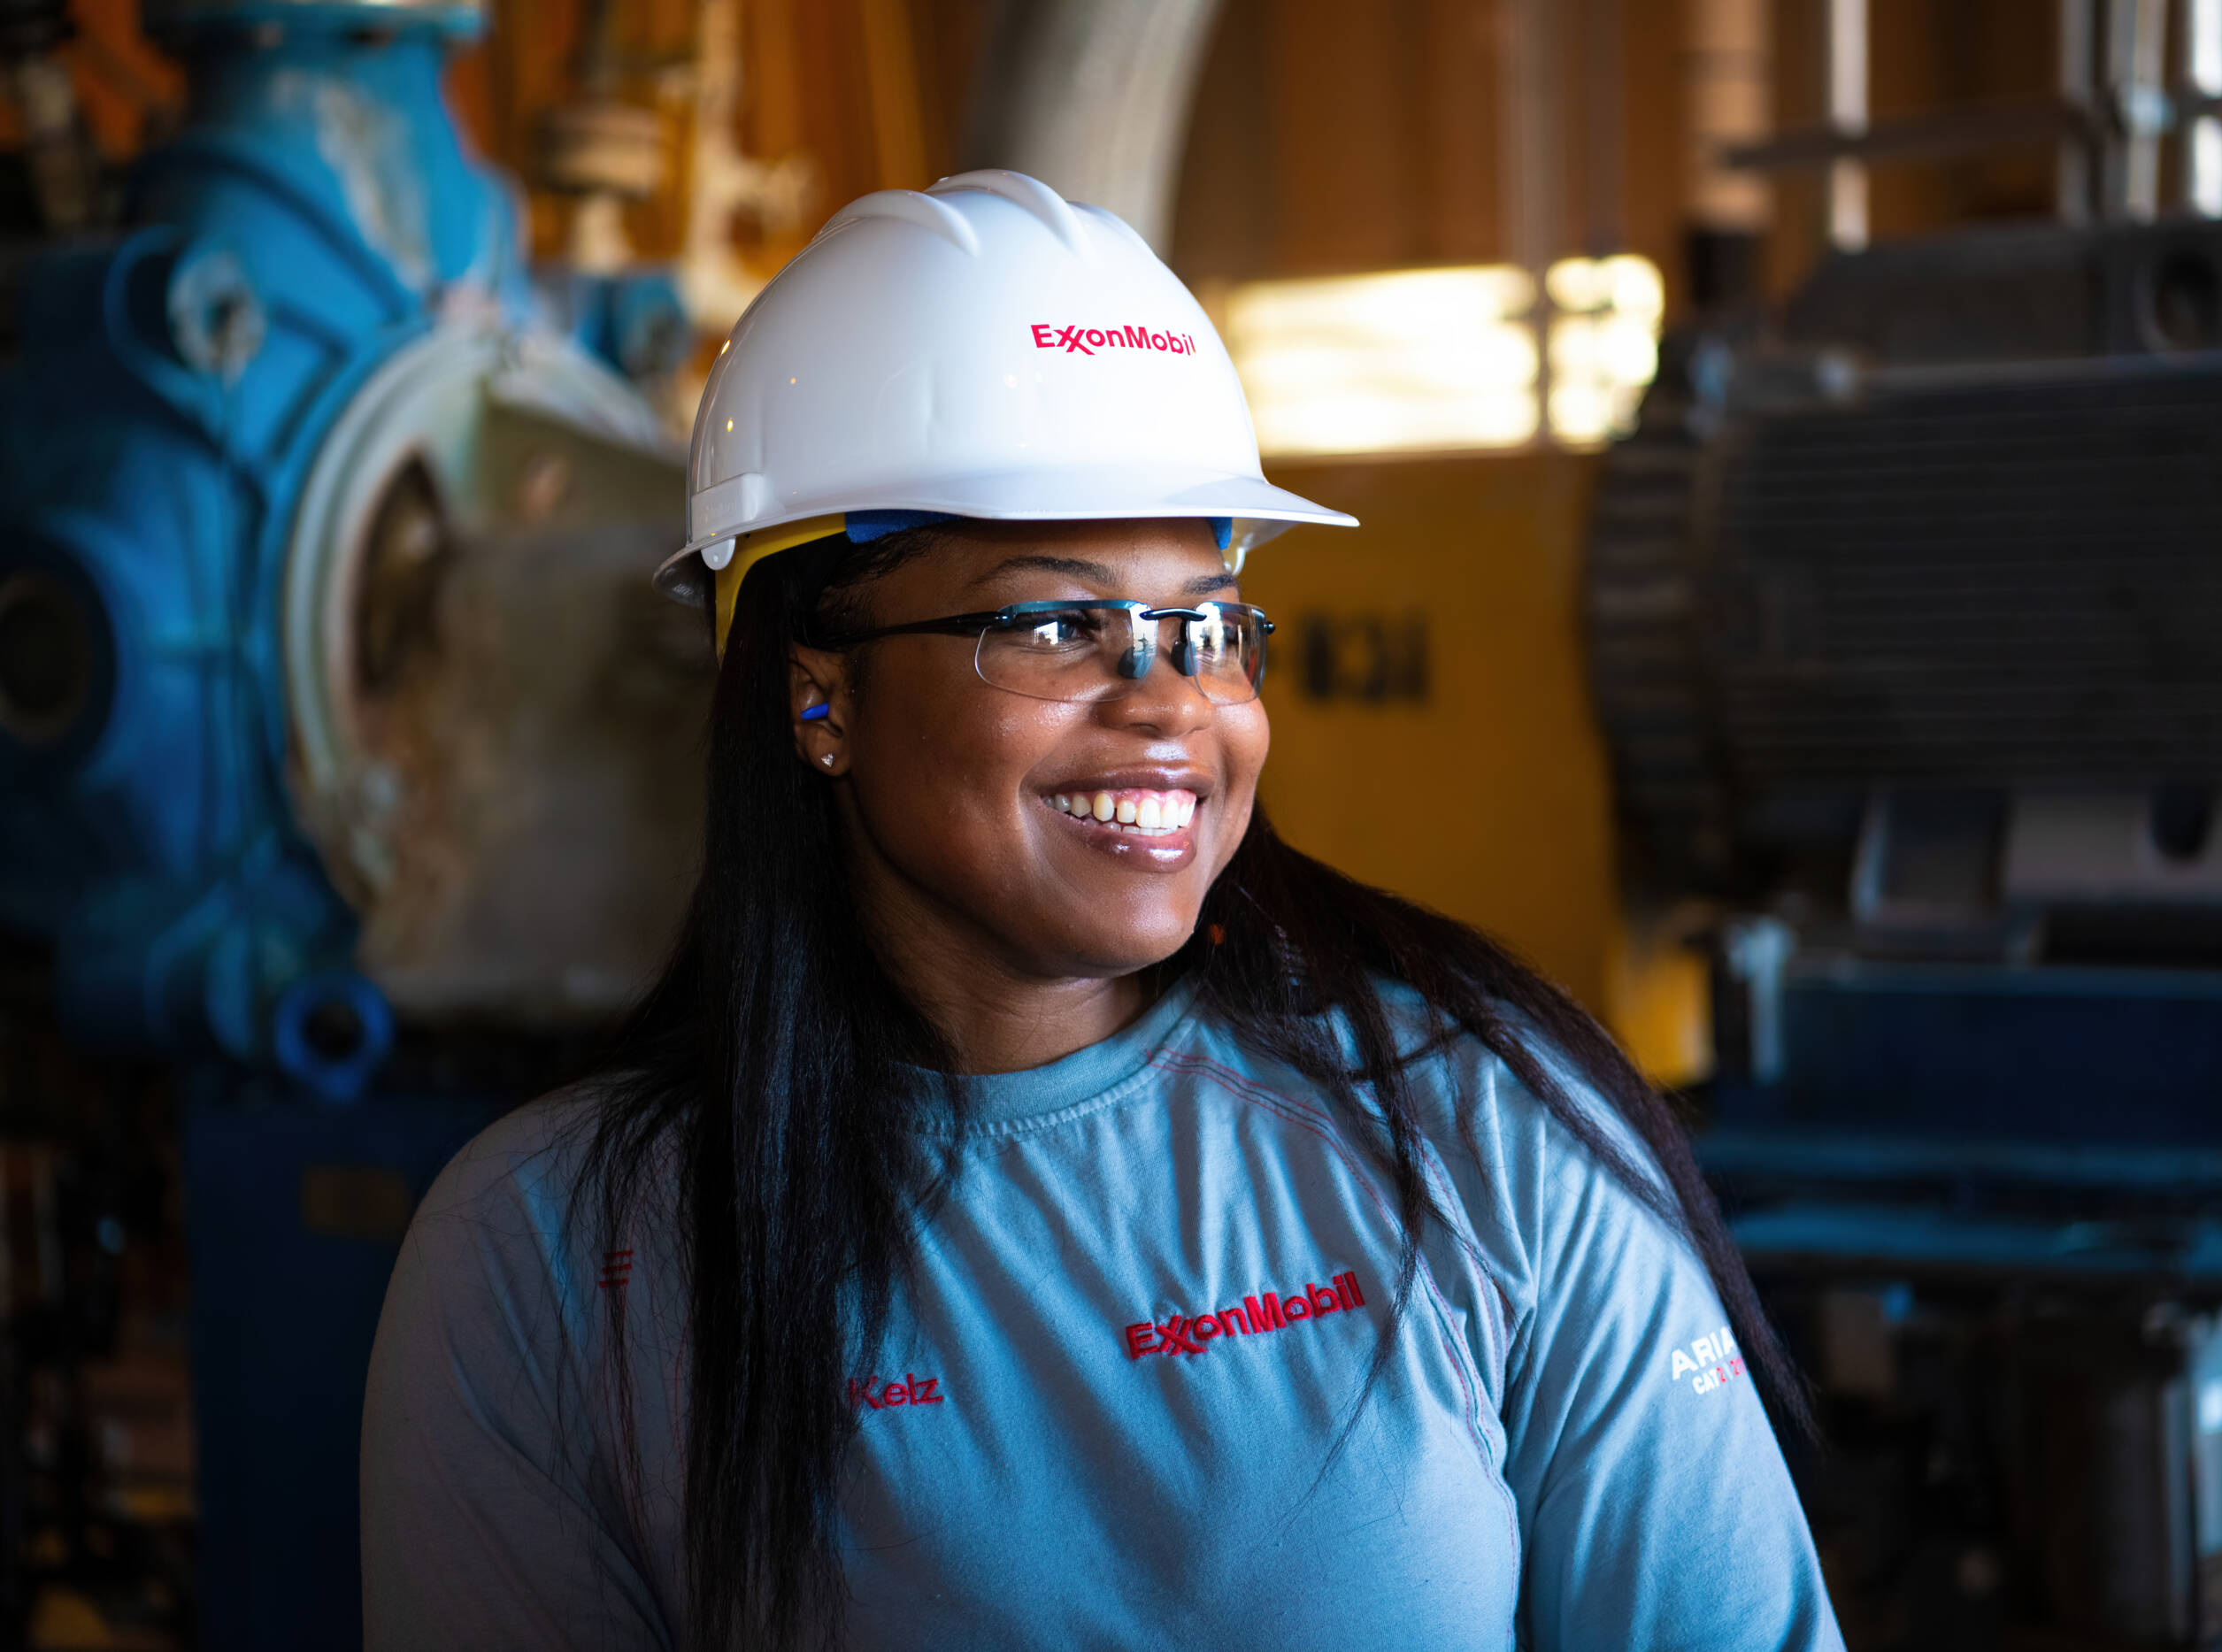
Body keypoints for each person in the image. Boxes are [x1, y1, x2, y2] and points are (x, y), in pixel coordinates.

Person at [360, 170, 1843, 1651]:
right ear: (820, 690)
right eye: (1056, 620)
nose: (1172, 707)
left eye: (1205, 625)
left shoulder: (1488, 1136)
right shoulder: (558, 1265)